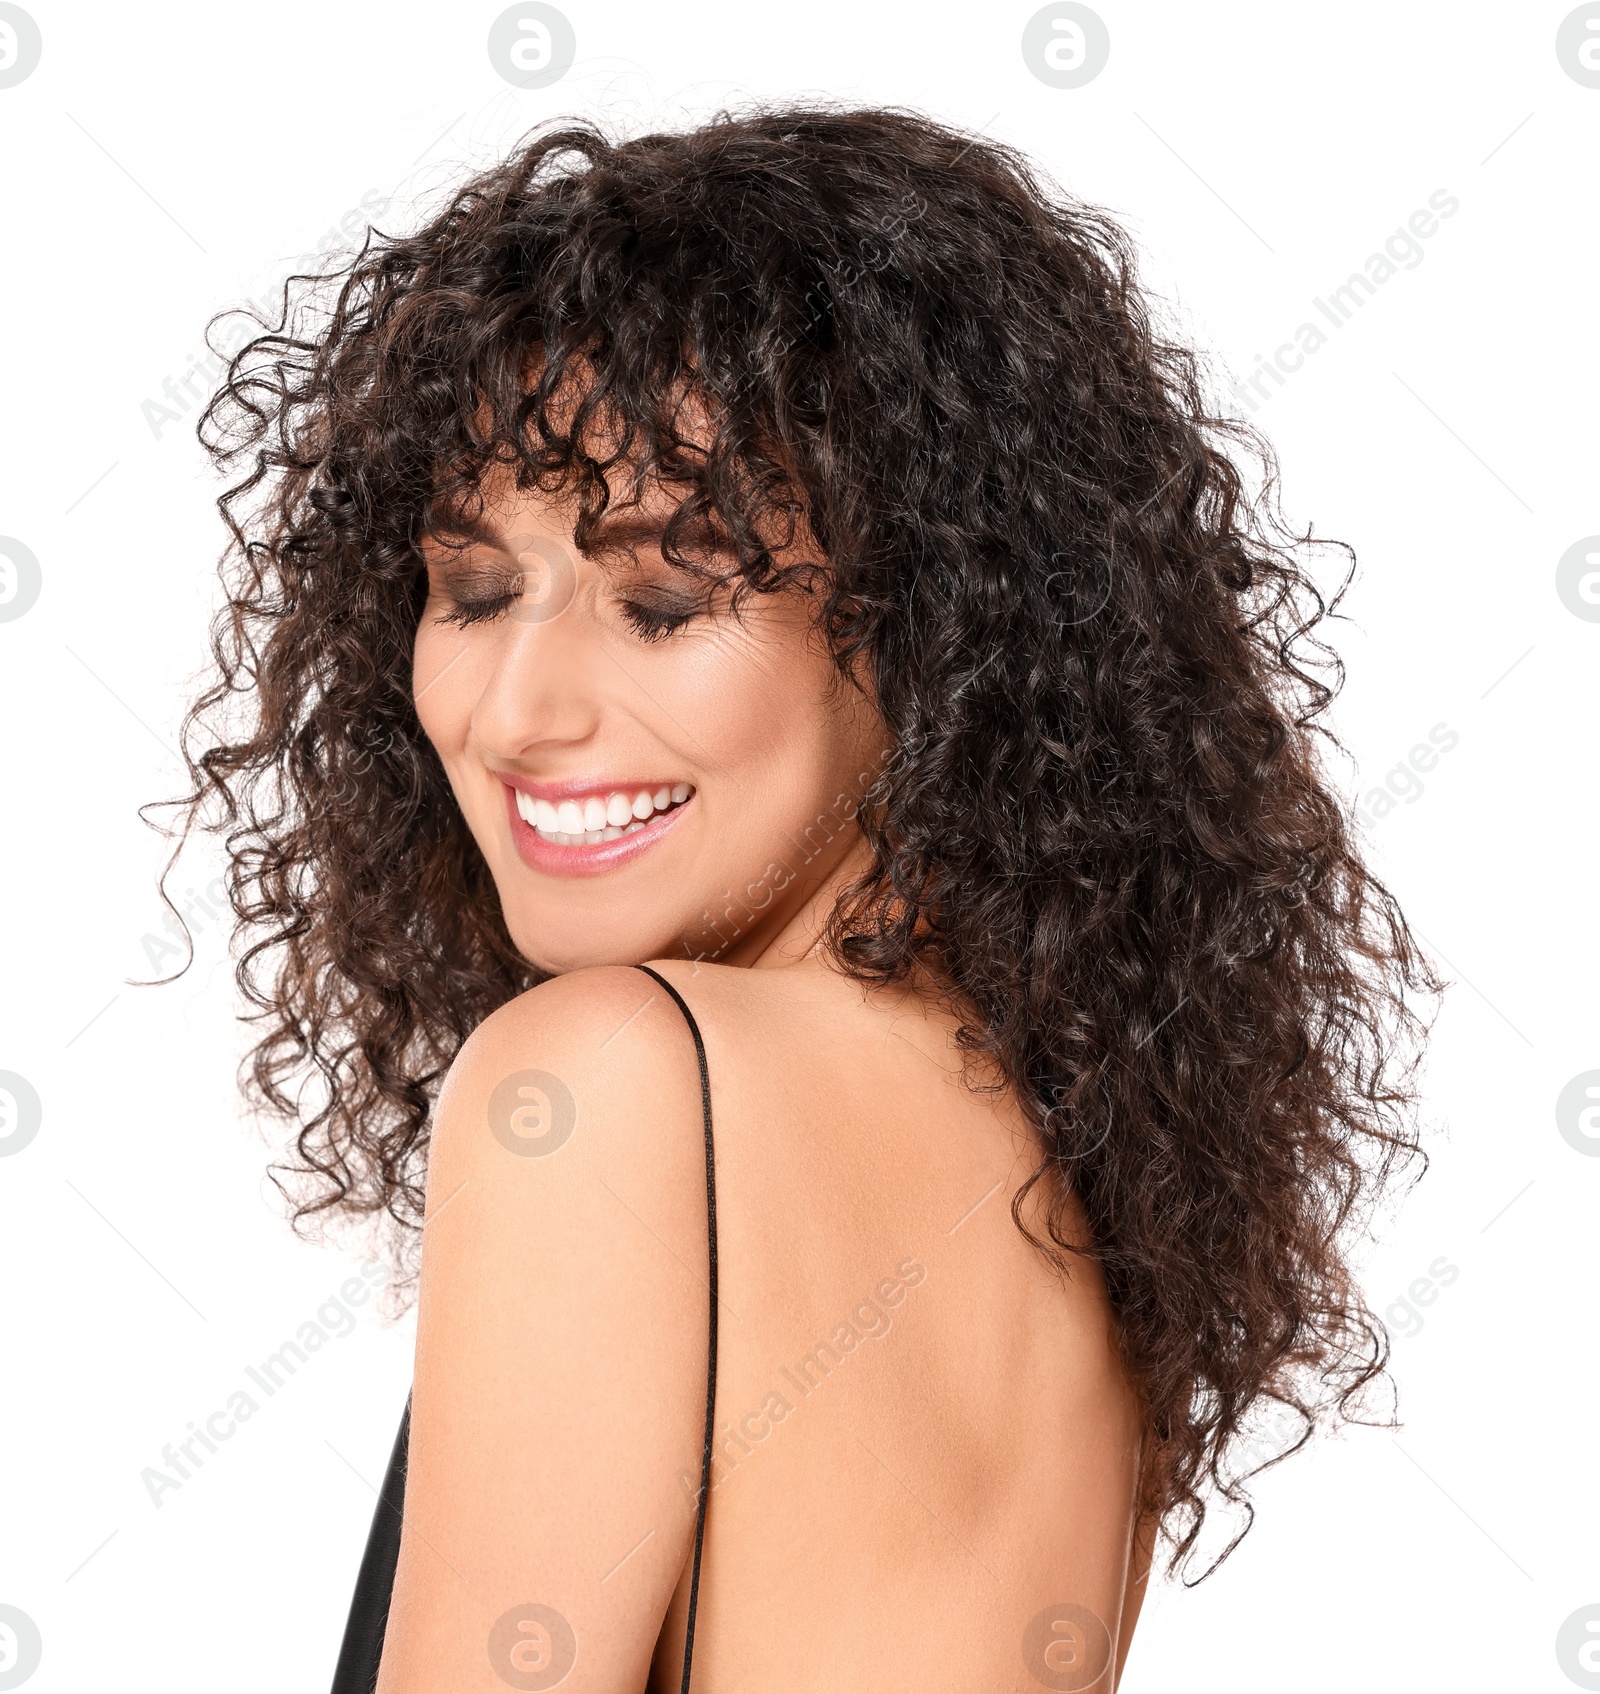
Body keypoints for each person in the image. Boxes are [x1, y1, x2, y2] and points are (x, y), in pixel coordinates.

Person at [158, 104, 1437, 1691]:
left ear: (931, 632)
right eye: (474, 591)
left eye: (665, 602)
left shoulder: (616, 1083)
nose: (516, 710)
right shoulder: (1086, 1162)